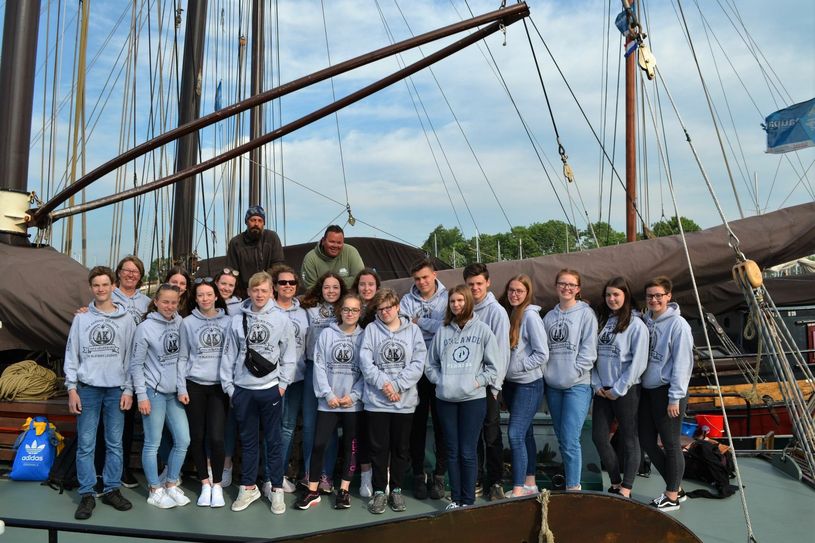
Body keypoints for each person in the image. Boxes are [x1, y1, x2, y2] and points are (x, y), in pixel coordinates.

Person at [220, 271, 296, 515]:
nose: (260, 294)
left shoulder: (281, 319)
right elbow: (228, 355)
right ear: (249, 292)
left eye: (264, 290)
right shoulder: (236, 320)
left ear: (271, 291)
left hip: (270, 390)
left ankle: (276, 490)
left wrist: (282, 385)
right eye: (255, 290)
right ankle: (248, 487)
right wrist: (230, 389)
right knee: (249, 442)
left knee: (273, 442)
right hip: (243, 390)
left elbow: (289, 356)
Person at [65, 266, 136, 520]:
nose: (101, 289)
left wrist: (128, 389)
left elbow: (131, 358)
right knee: (86, 443)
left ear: (113, 286)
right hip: (88, 389)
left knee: (114, 443)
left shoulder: (127, 320)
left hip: (116, 389)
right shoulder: (82, 319)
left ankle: (111, 488)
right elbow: (72, 354)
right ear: (91, 288)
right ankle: (86, 493)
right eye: (96, 285)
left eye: (105, 284)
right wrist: (71, 389)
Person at [426, 285, 499, 510]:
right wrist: (442, 381)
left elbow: (493, 368)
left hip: (472, 400)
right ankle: (456, 499)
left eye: (460, 300)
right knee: (452, 451)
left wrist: (475, 382)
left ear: (468, 301)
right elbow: (430, 365)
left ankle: (468, 501)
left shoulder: (483, 330)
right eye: (452, 301)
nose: (456, 305)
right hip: (446, 399)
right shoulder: (443, 331)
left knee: (468, 452)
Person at [296, 294, 365, 511]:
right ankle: (313, 490)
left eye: (354, 310)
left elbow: (368, 371)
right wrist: (328, 395)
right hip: (329, 402)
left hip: (351, 404)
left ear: (360, 312)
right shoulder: (327, 334)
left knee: (349, 447)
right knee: (318, 445)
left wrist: (353, 396)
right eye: (346, 309)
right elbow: (319, 366)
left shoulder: (366, 336)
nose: (350, 313)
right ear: (340, 311)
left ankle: (343, 491)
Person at [359, 288, 426, 514]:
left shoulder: (413, 331)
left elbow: (418, 363)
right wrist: (385, 386)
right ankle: (380, 491)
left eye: (389, 307)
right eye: (380, 309)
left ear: (397, 307)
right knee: (378, 449)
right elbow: (365, 362)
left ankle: (396, 490)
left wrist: (397, 386)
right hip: (377, 402)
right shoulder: (370, 329)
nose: (385, 312)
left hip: (404, 403)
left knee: (400, 449)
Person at [130, 283, 191, 509]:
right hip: (152, 392)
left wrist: (182, 388)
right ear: (156, 301)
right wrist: (141, 395)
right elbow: (136, 365)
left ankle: (171, 483)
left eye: (174, 302)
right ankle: (154, 489)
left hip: (173, 392)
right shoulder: (145, 328)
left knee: (183, 440)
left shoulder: (180, 323)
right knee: (152, 443)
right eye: (165, 301)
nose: (169, 306)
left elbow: (182, 359)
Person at [591, 277, 649, 499]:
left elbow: (638, 363)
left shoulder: (636, 325)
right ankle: (615, 481)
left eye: (616, 294)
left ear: (625, 296)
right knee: (598, 437)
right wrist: (596, 384)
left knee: (628, 438)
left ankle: (626, 487)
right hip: (602, 391)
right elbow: (594, 358)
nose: (611, 299)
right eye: (608, 295)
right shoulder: (604, 323)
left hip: (626, 391)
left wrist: (619, 388)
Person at [639, 276, 693, 511]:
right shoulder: (645, 320)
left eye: (659, 295)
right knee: (647, 441)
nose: (654, 299)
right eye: (650, 296)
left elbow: (683, 362)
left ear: (668, 296)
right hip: (647, 390)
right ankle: (676, 486)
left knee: (670, 443)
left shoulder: (678, 325)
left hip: (667, 391)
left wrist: (675, 397)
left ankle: (672, 494)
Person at [543, 269, 597, 491]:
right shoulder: (548, 317)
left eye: (571, 285)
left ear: (578, 289)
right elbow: (543, 349)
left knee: (570, 438)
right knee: (562, 437)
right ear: (556, 286)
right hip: (553, 386)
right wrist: (548, 374)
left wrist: (573, 373)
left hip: (577, 385)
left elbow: (588, 350)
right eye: (562, 283)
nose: (566, 288)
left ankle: (573, 487)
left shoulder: (586, 315)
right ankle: (569, 480)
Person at [178, 278, 231, 507]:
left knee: (217, 438)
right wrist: (181, 387)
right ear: (195, 298)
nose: (205, 299)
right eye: (200, 295)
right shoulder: (188, 323)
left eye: (209, 294)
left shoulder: (229, 322)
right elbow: (182, 357)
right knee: (197, 437)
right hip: (195, 385)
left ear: (216, 296)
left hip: (219, 386)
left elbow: (234, 355)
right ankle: (204, 483)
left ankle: (217, 483)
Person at [399, 258, 448, 500]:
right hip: (416, 370)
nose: (422, 282)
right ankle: (418, 474)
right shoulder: (406, 301)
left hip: (441, 369)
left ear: (434, 275)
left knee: (442, 424)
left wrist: (421, 322)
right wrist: (429, 325)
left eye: (425, 277)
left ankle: (439, 476)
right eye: (417, 279)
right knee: (416, 425)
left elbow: (447, 325)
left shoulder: (448, 298)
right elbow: (406, 328)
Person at [498, 274, 548, 498]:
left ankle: (518, 488)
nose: (514, 294)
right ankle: (530, 483)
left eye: (519, 291)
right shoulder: (509, 314)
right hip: (511, 385)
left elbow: (542, 353)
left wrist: (518, 368)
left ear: (527, 293)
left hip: (528, 385)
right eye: (511, 290)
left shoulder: (530, 317)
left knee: (515, 434)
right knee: (526, 435)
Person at [463, 262, 509, 501]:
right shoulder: (465, 310)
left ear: (488, 283)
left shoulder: (496, 312)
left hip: (489, 385)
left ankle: (496, 481)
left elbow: (501, 351)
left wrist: (495, 386)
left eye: (479, 283)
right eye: (470, 284)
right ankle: (477, 477)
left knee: (491, 435)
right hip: (469, 386)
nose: (475, 288)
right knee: (473, 434)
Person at [299, 272, 348, 493]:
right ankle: (311, 472)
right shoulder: (308, 310)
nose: (331, 291)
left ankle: (326, 474)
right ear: (320, 288)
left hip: (337, 371)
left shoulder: (345, 310)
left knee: (330, 427)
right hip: (312, 369)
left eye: (335, 287)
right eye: (327, 287)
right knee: (310, 425)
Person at [110, 255, 150, 488]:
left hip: (137, 369)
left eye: (136, 272)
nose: (131, 274)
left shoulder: (146, 302)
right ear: (119, 272)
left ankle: (123, 468)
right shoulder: (108, 297)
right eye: (127, 270)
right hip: (114, 367)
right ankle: (105, 470)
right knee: (112, 422)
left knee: (126, 423)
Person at [270, 265, 309, 493]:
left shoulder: (302, 313)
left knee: (287, 428)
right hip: (272, 380)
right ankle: (269, 477)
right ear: (275, 286)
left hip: (297, 378)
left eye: (291, 283)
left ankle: (280, 475)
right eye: (283, 282)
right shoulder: (268, 310)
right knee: (272, 428)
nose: (287, 286)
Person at [350, 268, 381, 497]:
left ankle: (381, 475)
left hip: (377, 383)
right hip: (352, 378)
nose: (366, 288)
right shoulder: (350, 310)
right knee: (359, 432)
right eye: (362, 284)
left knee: (377, 433)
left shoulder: (382, 313)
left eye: (371, 284)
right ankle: (365, 475)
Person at [226, 205, 285, 293]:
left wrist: (263, 285)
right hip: (244, 292)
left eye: (260, 221)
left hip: (268, 290)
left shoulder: (271, 237)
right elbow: (232, 271)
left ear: (263, 223)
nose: (256, 224)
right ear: (246, 222)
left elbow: (278, 266)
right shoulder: (236, 242)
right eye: (253, 220)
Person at [300, 225, 365, 290]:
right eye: (332, 242)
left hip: (349, 298)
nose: (335, 246)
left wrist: (326, 285)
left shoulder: (351, 252)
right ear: (323, 241)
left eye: (339, 243)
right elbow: (311, 289)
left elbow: (361, 279)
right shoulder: (310, 258)